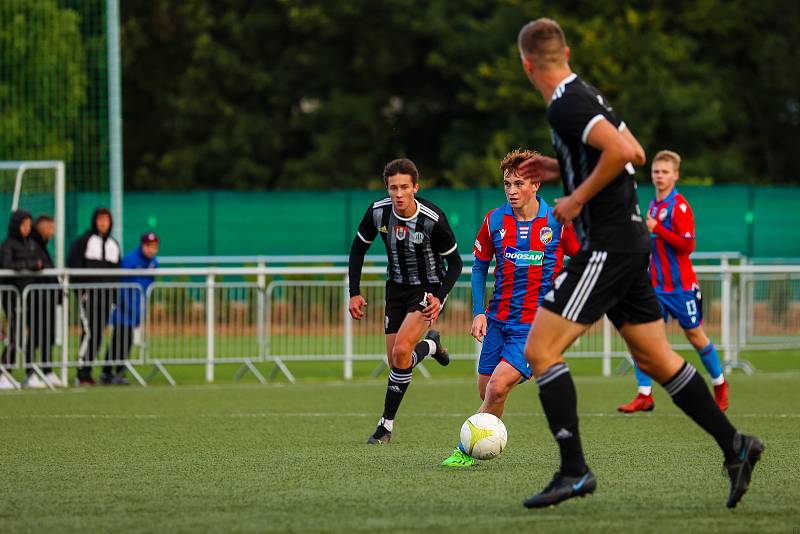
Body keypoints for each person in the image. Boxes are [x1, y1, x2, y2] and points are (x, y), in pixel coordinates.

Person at [515, 18, 762, 509]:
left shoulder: (566, 104)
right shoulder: (587, 93)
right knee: (656, 358)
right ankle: (736, 446)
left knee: (541, 352)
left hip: (606, 245)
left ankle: (574, 470)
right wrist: (560, 167)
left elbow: (625, 152)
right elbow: (636, 152)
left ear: (527, 65)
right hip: (630, 243)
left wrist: (577, 198)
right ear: (565, 51)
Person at [441, 149, 579, 467]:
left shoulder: (557, 223)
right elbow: (479, 267)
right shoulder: (494, 220)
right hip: (498, 321)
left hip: (535, 327)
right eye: (507, 184)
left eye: (519, 183)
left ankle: (465, 450)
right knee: (487, 391)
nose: (512, 190)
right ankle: (490, 436)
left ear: (536, 185)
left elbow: (583, 259)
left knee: (497, 386)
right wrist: (478, 312)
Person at [348, 158, 462, 444]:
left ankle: (384, 427)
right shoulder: (377, 213)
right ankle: (432, 345)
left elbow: (456, 263)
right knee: (397, 361)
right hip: (396, 289)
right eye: (393, 188)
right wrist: (354, 292)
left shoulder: (433, 219)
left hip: (428, 288)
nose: (398, 194)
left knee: (401, 351)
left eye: (404, 188)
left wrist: (440, 297)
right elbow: (357, 250)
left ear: (415, 187)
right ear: (387, 188)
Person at [618, 150, 728, 413]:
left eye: (665, 172)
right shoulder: (654, 205)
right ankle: (644, 394)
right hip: (655, 287)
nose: (659, 176)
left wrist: (658, 229)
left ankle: (720, 385)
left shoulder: (679, 206)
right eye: (656, 171)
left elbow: (688, 245)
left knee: (696, 337)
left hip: (681, 288)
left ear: (675, 175)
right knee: (641, 338)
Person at [67, 208, 121, 385]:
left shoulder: (114, 244)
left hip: (106, 298)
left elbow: (116, 274)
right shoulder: (84, 241)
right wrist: (80, 290)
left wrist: (113, 298)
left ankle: (88, 372)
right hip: (89, 296)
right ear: (94, 221)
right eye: (100, 219)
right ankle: (81, 373)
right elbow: (74, 265)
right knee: (89, 332)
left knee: (98, 334)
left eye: (106, 219)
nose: (103, 223)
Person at [101, 232, 159, 385]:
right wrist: (127, 305)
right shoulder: (130, 260)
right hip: (123, 309)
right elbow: (122, 285)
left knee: (126, 340)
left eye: (154, 247)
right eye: (148, 246)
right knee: (119, 340)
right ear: (142, 245)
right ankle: (111, 372)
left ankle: (114, 372)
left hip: (137, 308)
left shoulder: (154, 262)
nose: (151, 250)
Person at [0, 210, 44, 389]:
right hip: (11, 296)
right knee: (14, 335)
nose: (27, 228)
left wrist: (35, 265)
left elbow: (40, 261)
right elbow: (7, 265)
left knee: (26, 336)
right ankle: (4, 372)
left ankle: (27, 373)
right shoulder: (8, 244)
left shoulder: (32, 243)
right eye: (23, 225)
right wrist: (31, 265)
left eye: (29, 225)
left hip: (28, 295)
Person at [24, 215, 65, 388]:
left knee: (48, 335)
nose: (53, 231)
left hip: (47, 297)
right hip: (36, 297)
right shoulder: (32, 244)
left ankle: (47, 371)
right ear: (42, 227)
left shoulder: (42, 245)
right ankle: (30, 373)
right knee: (34, 336)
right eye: (51, 227)